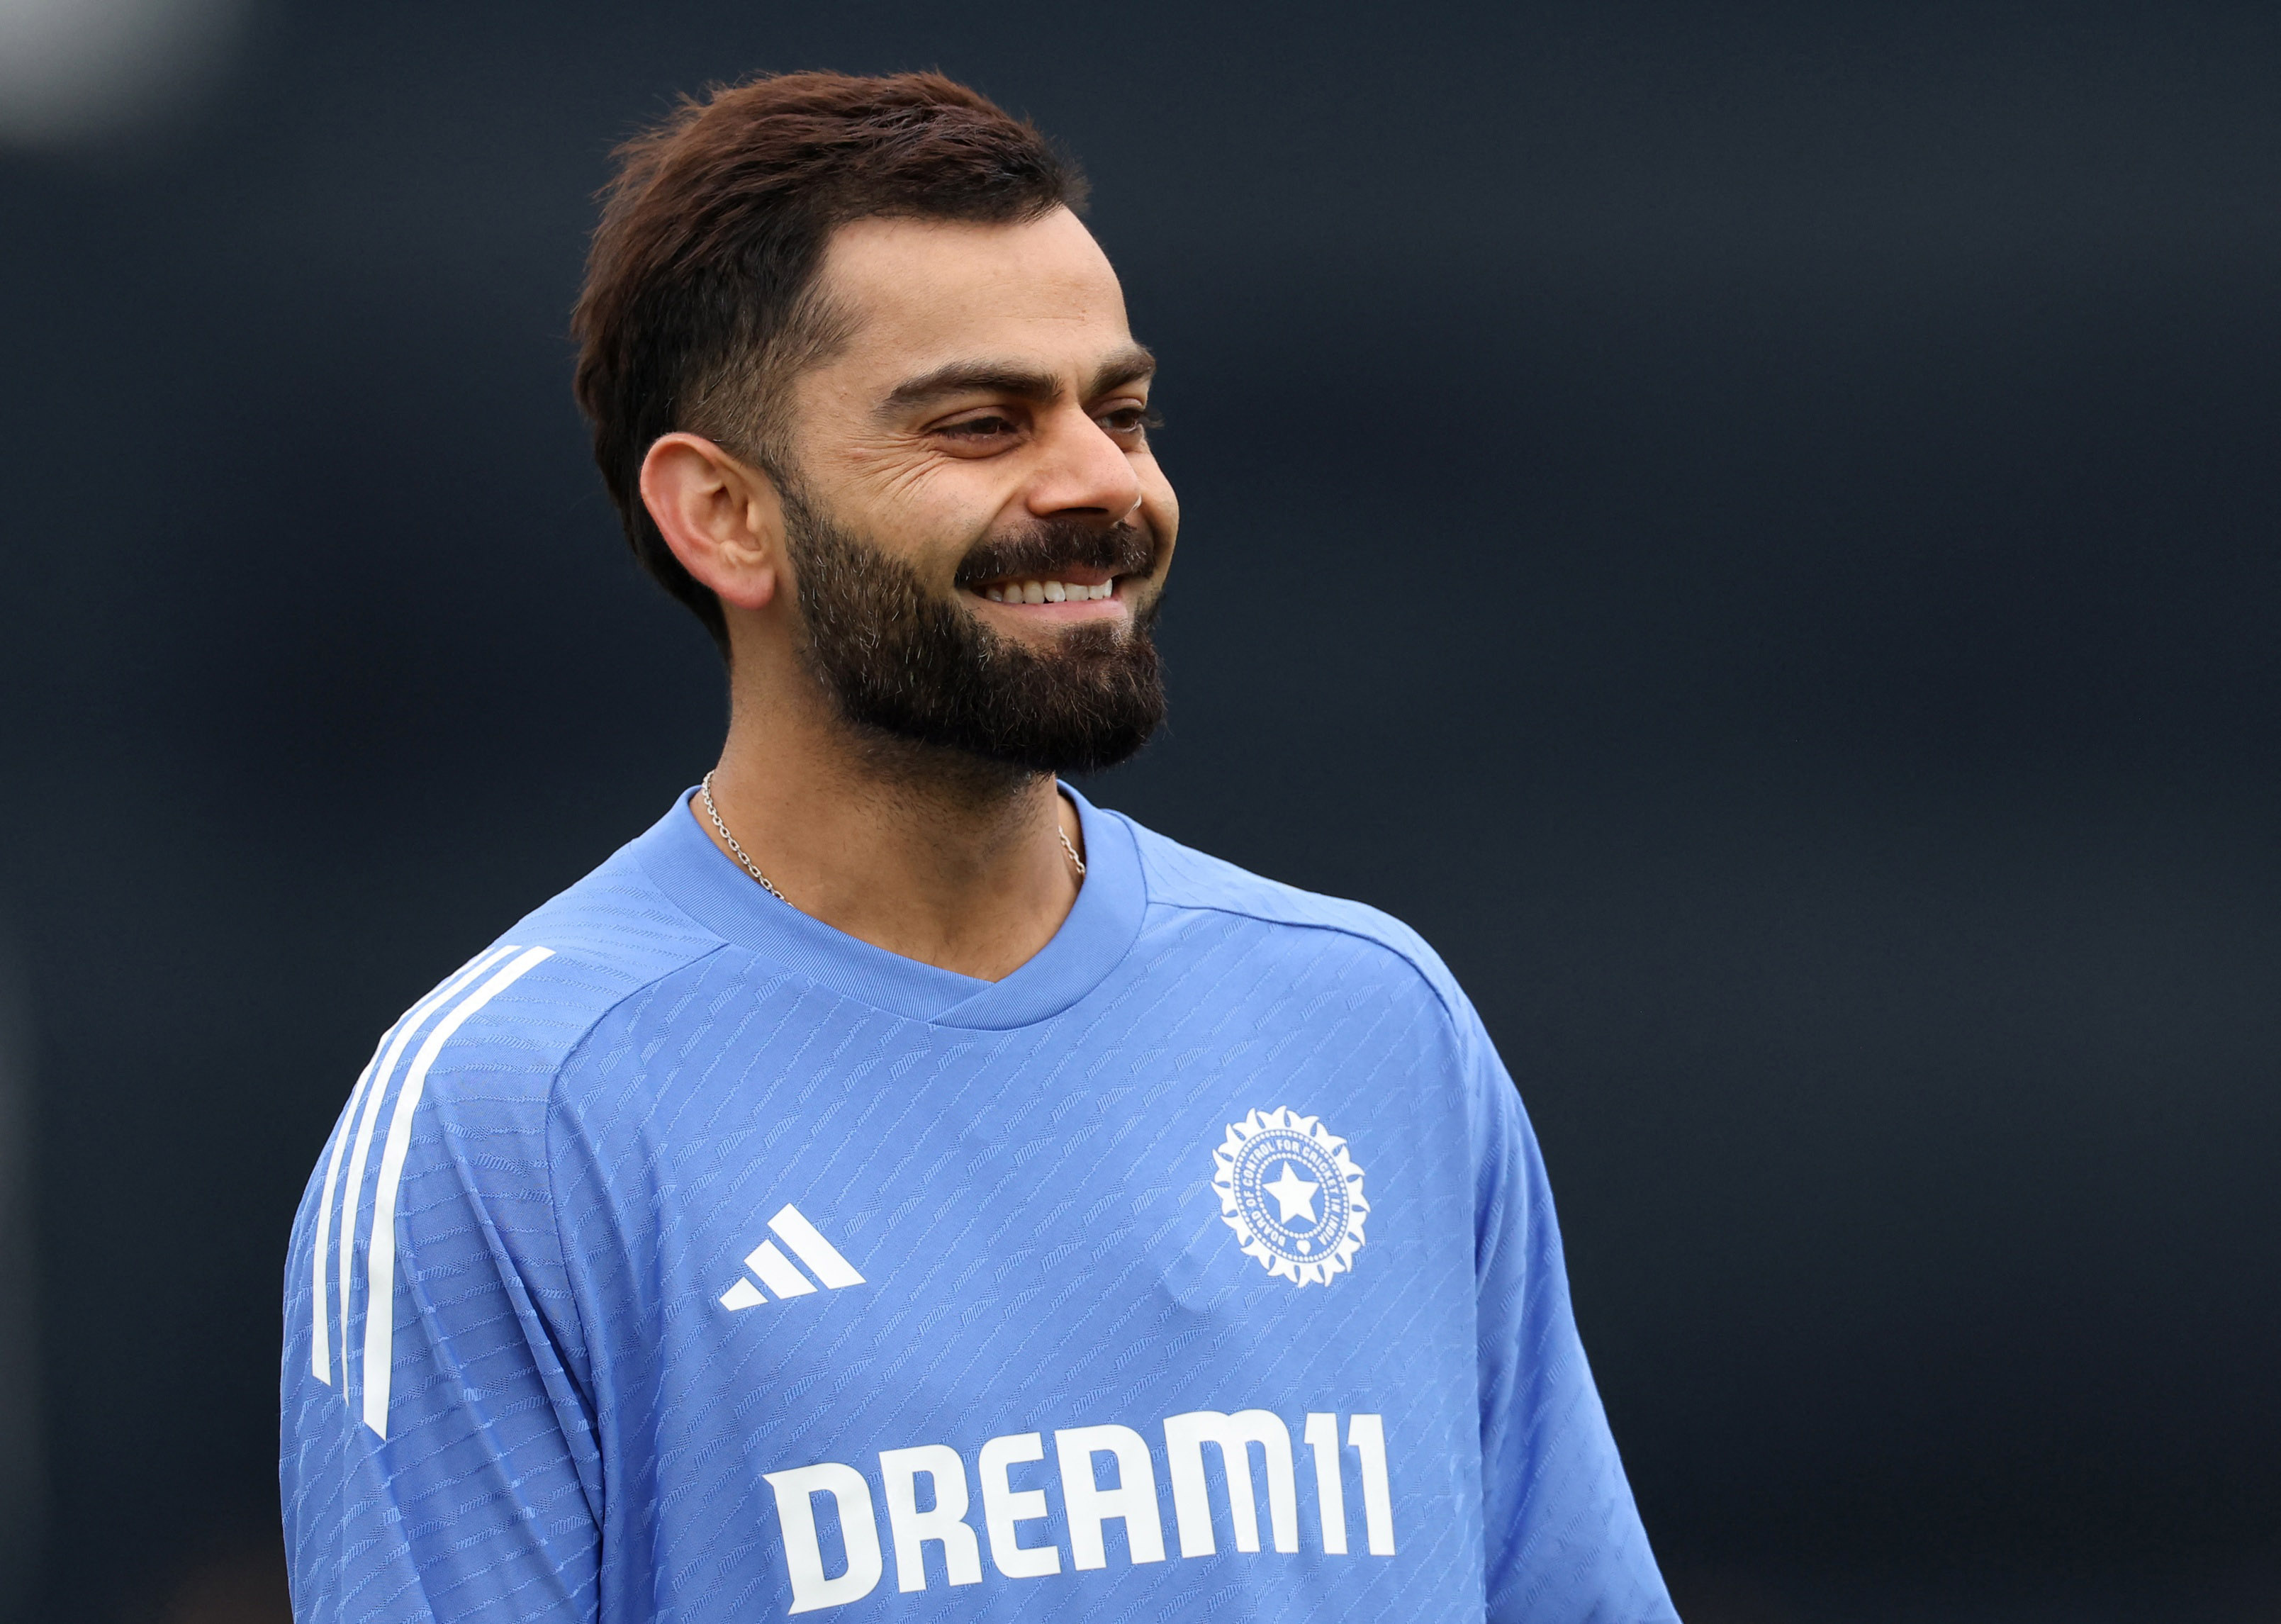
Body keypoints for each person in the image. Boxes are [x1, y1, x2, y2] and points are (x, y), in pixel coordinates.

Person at [279, 69, 1677, 1623]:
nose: (1101, 482)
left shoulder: (1372, 1020)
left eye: (1122, 411)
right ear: (724, 518)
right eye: (980, 422)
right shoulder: (512, 1113)